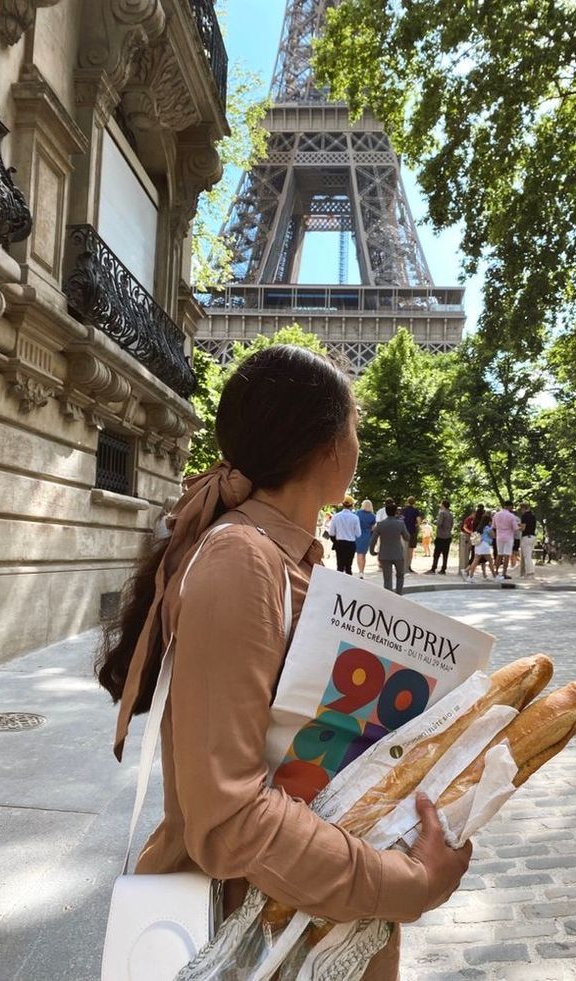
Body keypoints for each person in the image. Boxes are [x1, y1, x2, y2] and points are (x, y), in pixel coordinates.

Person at [96, 347, 472, 981]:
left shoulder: (281, 556)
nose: (359, 441)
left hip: (305, 907)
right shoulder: (242, 559)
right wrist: (406, 882)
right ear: (328, 443)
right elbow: (229, 816)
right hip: (259, 929)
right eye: (355, 425)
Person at [370, 502, 410, 594]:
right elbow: (407, 537)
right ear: (396, 512)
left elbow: (373, 540)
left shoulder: (380, 525)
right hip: (398, 553)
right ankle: (399, 593)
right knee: (400, 575)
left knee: (387, 578)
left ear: (386, 512)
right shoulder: (400, 524)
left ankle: (389, 595)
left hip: (384, 554)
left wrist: (372, 551)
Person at [330, 496, 362, 574]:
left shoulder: (336, 516)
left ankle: (338, 584)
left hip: (340, 543)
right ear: (352, 505)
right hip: (350, 544)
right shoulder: (355, 518)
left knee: (339, 566)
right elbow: (358, 534)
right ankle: (348, 584)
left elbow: (331, 533)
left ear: (343, 504)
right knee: (348, 567)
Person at [462, 512, 494, 581]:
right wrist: (492, 528)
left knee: (475, 561)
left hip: (478, 545)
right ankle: (495, 576)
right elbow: (493, 536)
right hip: (485, 546)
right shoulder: (487, 528)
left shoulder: (479, 528)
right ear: (488, 522)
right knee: (490, 561)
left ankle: (470, 576)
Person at [492, 501, 520, 580]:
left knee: (499, 554)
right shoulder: (511, 516)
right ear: (510, 507)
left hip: (499, 536)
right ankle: (504, 573)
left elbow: (494, 526)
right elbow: (515, 528)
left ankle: (496, 571)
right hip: (508, 537)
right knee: (507, 555)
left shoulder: (496, 515)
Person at [428, 500, 453, 574]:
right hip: (448, 535)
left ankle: (433, 568)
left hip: (441, 536)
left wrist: (436, 521)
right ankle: (443, 568)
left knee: (437, 553)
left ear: (443, 505)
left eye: (441, 504)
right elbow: (452, 524)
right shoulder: (450, 514)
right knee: (445, 554)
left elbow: (439, 523)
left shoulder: (442, 513)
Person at [355, 499, 377, 578]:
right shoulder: (372, 516)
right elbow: (373, 528)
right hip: (367, 536)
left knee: (359, 554)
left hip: (358, 535)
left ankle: (360, 571)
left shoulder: (357, 513)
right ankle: (362, 571)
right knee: (363, 554)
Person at [401, 496, 422, 573]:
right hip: (412, 531)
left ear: (407, 501)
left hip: (403, 531)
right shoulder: (415, 510)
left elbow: (400, 519)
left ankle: (402, 565)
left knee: (403, 548)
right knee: (410, 549)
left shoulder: (403, 510)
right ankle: (409, 566)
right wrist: (415, 525)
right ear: (414, 502)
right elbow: (419, 521)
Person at [519, 502, 537, 578]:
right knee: (529, 555)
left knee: (527, 556)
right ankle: (529, 572)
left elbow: (523, 528)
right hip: (533, 537)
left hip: (526, 537)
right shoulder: (533, 516)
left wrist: (517, 527)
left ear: (523, 508)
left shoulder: (524, 516)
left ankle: (530, 573)